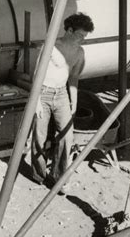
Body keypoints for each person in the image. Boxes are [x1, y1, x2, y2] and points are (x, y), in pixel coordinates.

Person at [31, 12, 94, 188]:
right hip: (42, 93)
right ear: (69, 30)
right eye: (80, 35)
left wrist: (73, 101)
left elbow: (74, 77)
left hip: (61, 95)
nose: (82, 39)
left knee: (67, 136)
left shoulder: (79, 52)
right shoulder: (51, 47)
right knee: (39, 136)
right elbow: (37, 75)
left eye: (85, 36)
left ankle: (57, 178)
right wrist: (35, 102)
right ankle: (39, 174)